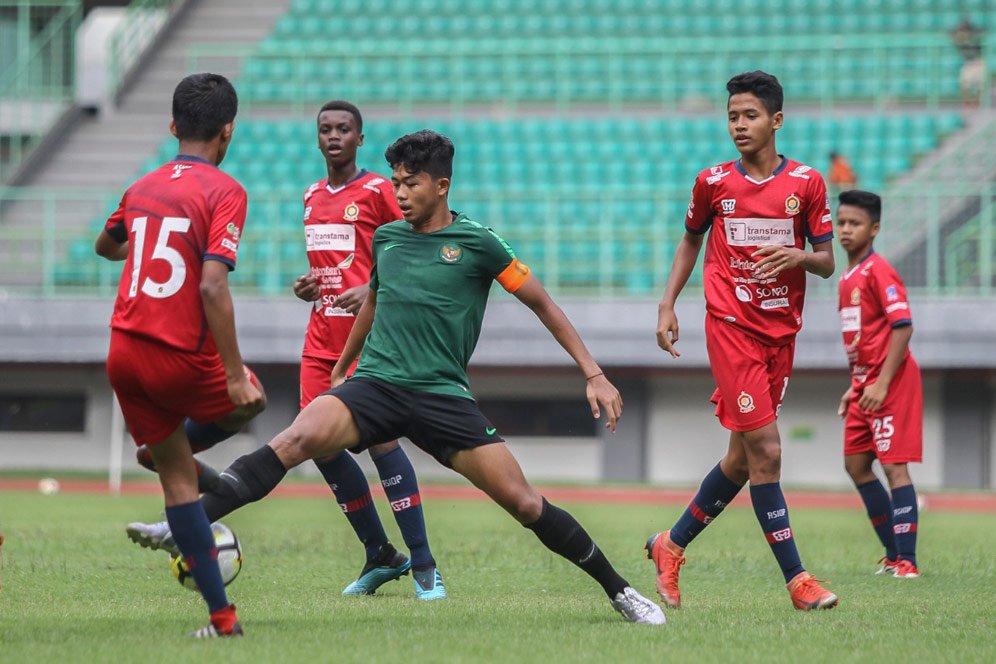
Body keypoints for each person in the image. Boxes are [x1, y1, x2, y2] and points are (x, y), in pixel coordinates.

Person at [128, 129, 666, 625]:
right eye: (395, 182)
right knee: (295, 439)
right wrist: (341, 370)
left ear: (442, 185)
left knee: (525, 503)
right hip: (376, 387)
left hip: (442, 397)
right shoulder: (386, 238)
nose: (401, 193)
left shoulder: (479, 242)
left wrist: (593, 373)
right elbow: (374, 302)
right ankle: (181, 524)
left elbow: (542, 304)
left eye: (411, 183)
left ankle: (620, 591)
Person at [647, 71, 839, 611]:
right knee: (769, 452)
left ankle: (670, 545)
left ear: (776, 121)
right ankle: (799, 581)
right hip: (731, 328)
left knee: (740, 458)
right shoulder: (713, 183)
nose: (739, 125)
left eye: (749, 115)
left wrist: (800, 256)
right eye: (732, 116)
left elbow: (827, 262)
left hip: (782, 333)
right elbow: (690, 240)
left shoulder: (806, 183)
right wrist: (667, 305)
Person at [96, 73, 265, 637]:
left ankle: (223, 622)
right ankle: (188, 454)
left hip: (123, 350)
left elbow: (107, 245)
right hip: (176, 354)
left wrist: (142, 240)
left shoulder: (142, 186)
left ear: (172, 126)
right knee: (253, 402)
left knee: (177, 486)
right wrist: (236, 374)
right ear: (228, 131)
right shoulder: (225, 190)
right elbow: (213, 286)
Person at [290, 100, 441, 599]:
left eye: (344, 129)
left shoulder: (379, 190)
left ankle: (424, 566)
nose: (334, 136)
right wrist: (313, 285)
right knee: (320, 445)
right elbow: (335, 265)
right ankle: (381, 554)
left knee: (381, 444)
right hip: (320, 344)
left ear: (359, 138)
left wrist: (373, 291)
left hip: (367, 344)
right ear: (318, 140)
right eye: (326, 129)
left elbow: (414, 247)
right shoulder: (311, 196)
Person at [835, 190, 921, 579]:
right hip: (865, 384)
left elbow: (902, 327)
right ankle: (892, 554)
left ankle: (908, 561)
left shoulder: (879, 270)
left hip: (891, 382)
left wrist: (882, 384)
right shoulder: (847, 276)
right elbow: (863, 338)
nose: (845, 230)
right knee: (856, 464)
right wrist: (856, 386)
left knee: (894, 467)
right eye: (841, 222)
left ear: (875, 228)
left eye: (854, 223)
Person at [950, 17, 986, 108]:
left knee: (980, 84)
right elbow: (952, 36)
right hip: (968, 63)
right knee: (964, 83)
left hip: (978, 61)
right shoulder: (960, 39)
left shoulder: (975, 36)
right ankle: (967, 103)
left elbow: (983, 34)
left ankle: (978, 103)